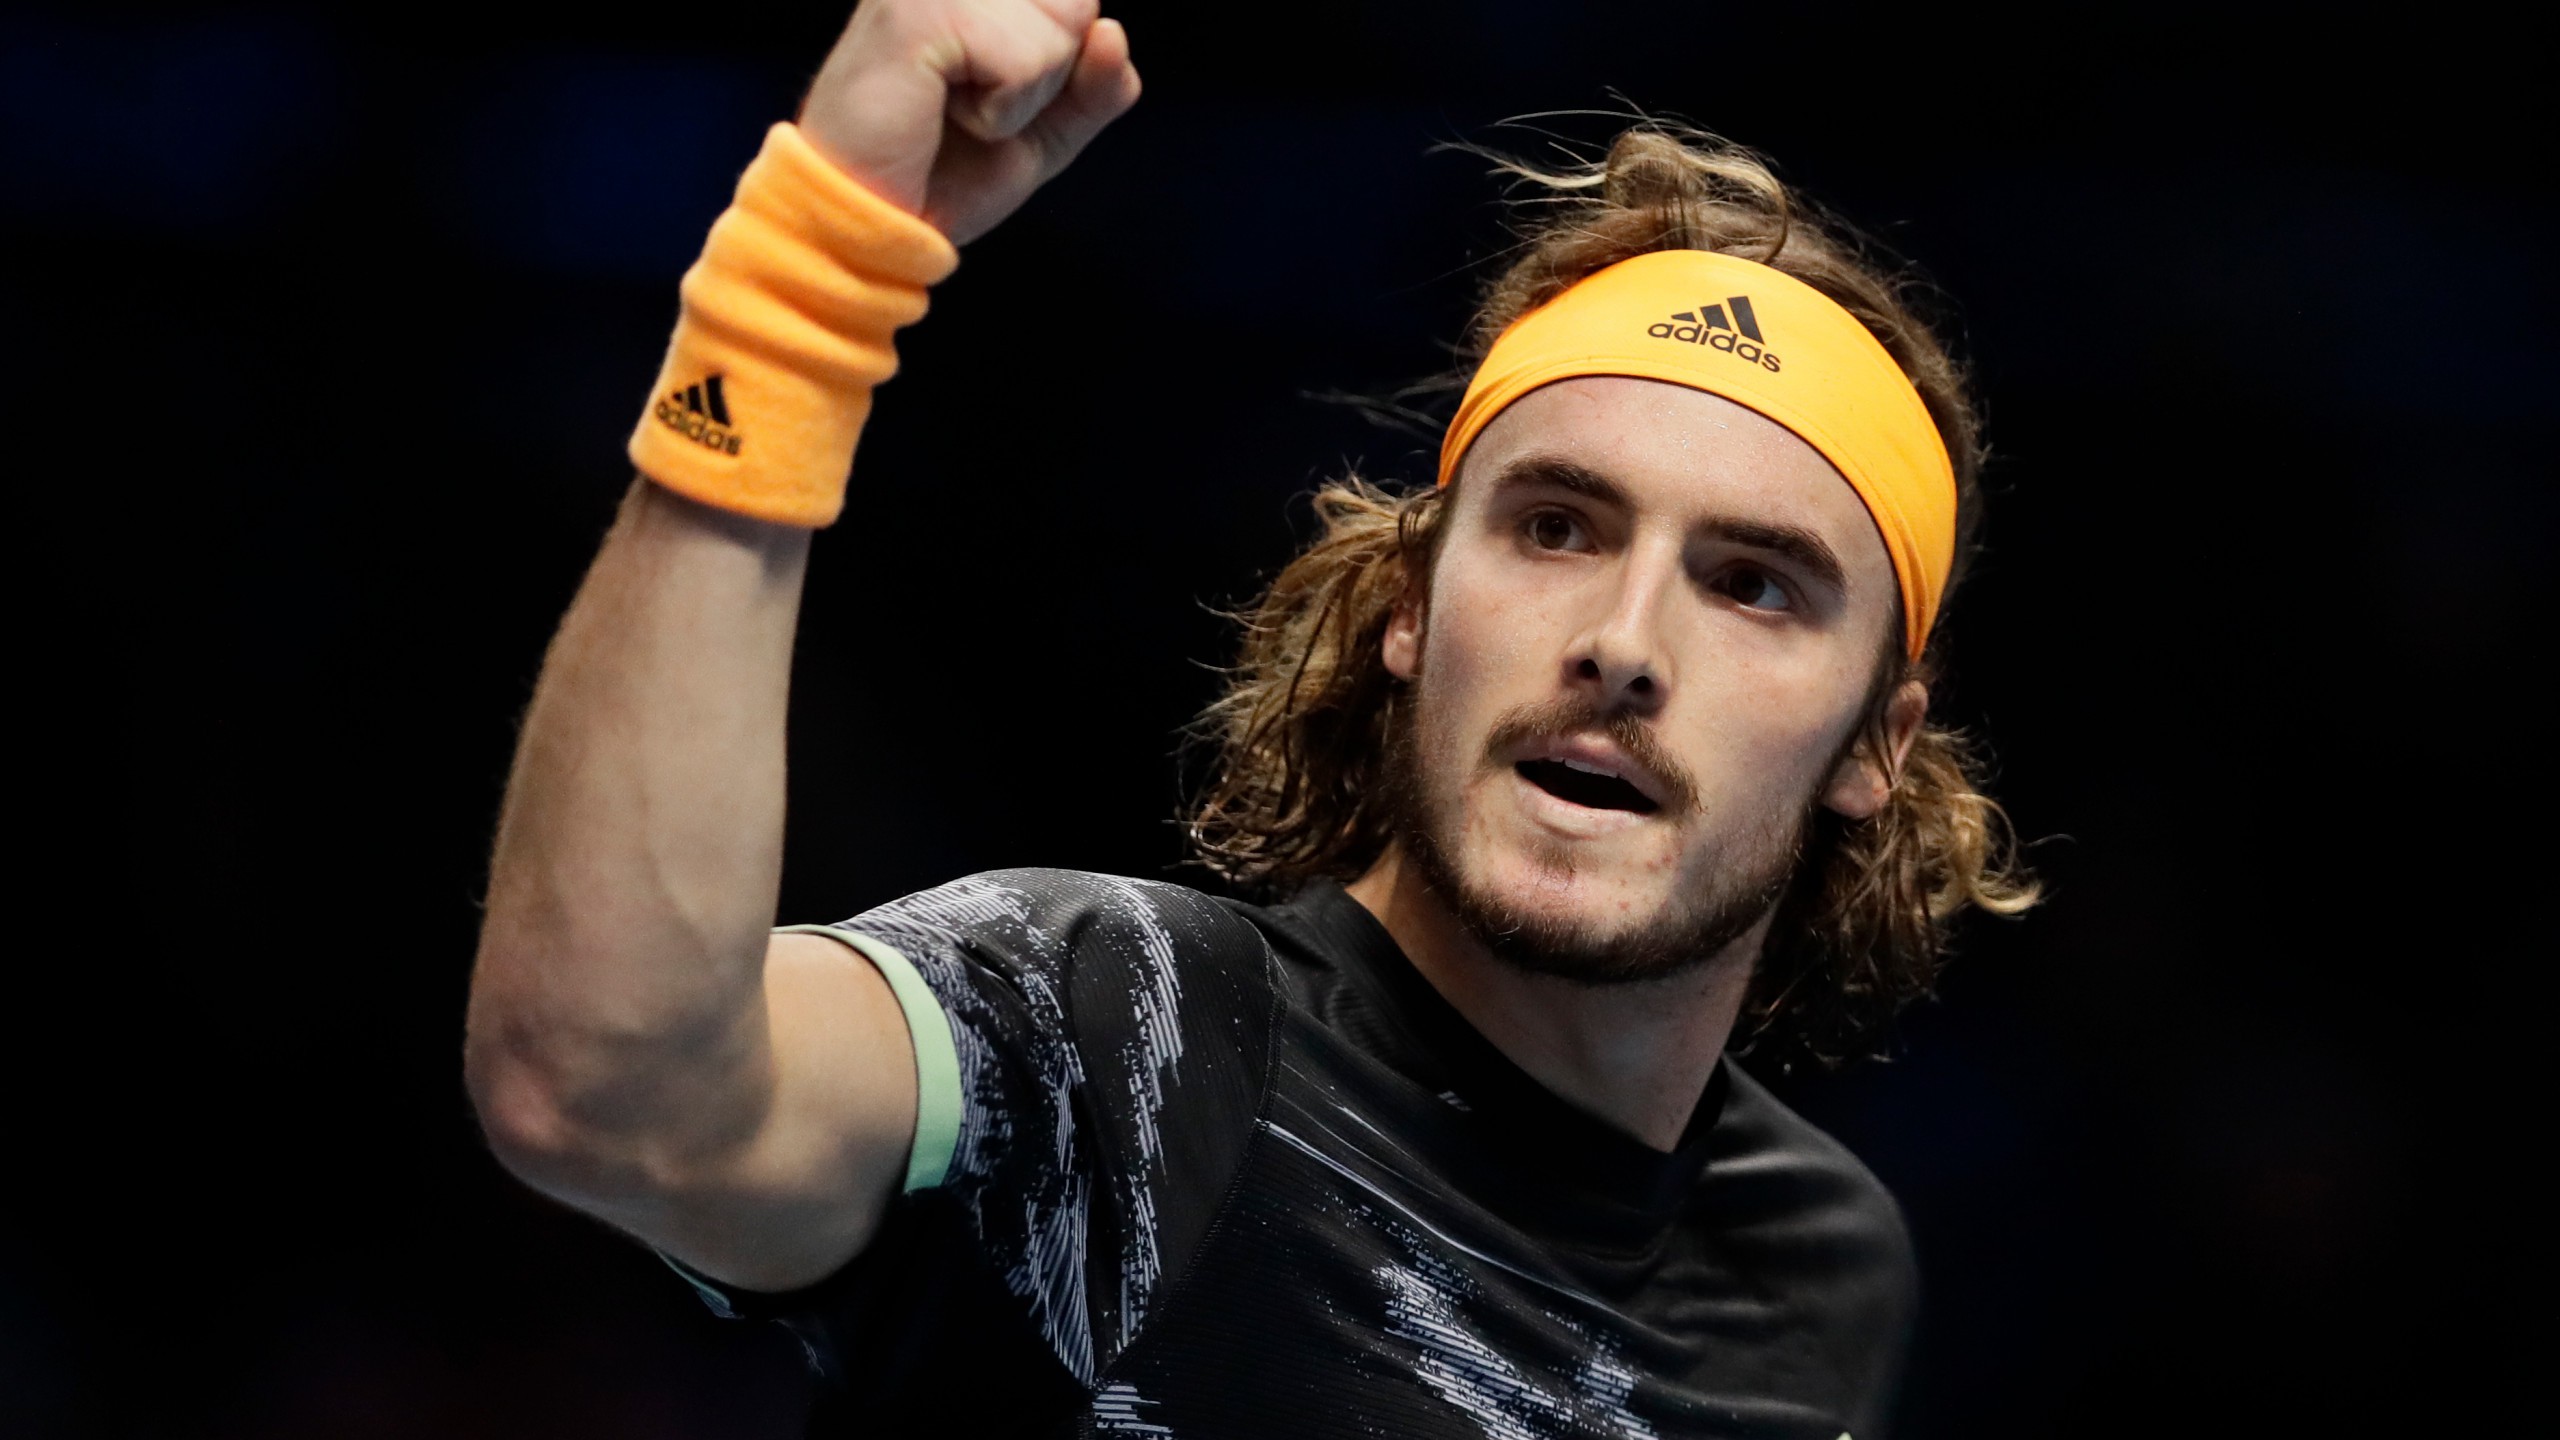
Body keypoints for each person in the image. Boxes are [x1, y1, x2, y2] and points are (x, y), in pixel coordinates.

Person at [464, 2, 2039, 1434]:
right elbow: (608, 1091)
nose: (1624, 644)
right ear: (1411, 607)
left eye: (1754, 584)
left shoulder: (1822, 1272)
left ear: (1874, 747)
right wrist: (797, 290)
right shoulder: (1120, 1034)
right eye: (1556, 527)